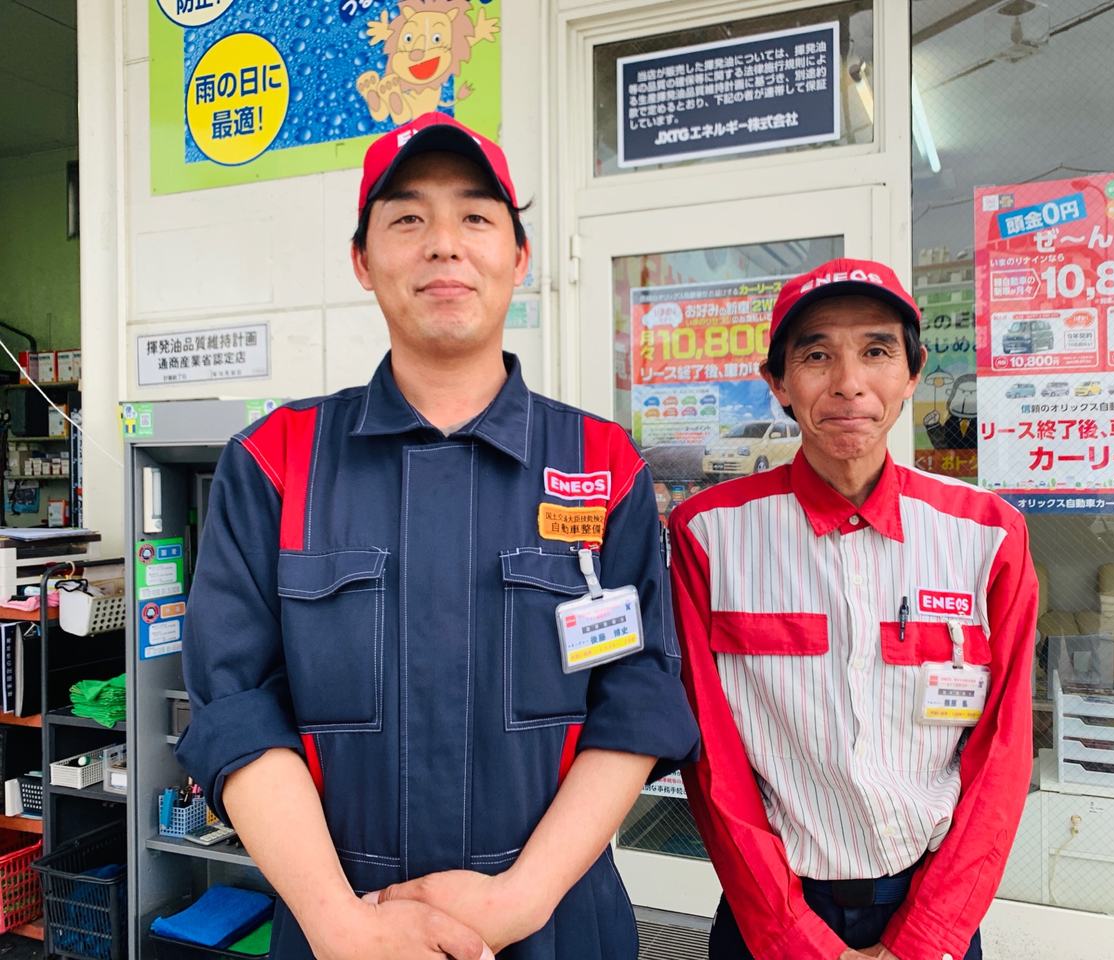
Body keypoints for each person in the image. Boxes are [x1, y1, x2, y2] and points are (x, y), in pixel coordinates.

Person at [177, 111, 699, 960]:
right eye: (408, 218)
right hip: (341, 921)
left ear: (518, 258)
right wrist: (344, 928)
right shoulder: (275, 462)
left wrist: (515, 904)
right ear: (363, 259)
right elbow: (236, 709)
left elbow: (636, 702)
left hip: (555, 924)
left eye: (476, 217)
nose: (444, 245)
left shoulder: (602, 464)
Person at [668, 258, 1037, 960]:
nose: (848, 383)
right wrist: (796, 939)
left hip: (931, 907)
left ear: (913, 371)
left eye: (876, 351)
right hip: (770, 913)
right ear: (776, 381)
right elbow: (712, 759)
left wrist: (926, 939)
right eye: (815, 355)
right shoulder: (708, 535)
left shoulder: (989, 536)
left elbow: (1003, 753)